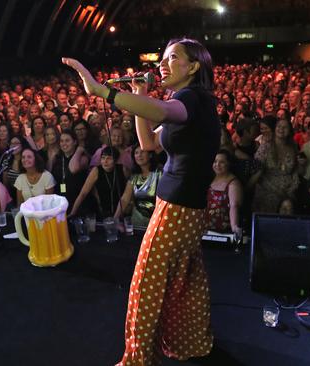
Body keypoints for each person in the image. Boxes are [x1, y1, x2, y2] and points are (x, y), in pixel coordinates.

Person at [63, 37, 219, 364]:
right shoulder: (193, 101)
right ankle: (188, 343)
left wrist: (101, 90)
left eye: (172, 58)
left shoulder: (190, 98)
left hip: (177, 208)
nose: (162, 64)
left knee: (146, 284)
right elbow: (148, 143)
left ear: (193, 67)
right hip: (186, 205)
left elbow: (162, 111)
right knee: (184, 280)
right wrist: (140, 96)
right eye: (162, 58)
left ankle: (137, 361)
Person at [69, 146, 126, 218]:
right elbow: (83, 194)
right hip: (104, 213)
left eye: (109, 158)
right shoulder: (96, 170)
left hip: (122, 212)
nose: (105, 161)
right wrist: (73, 212)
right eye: (103, 158)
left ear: (116, 160)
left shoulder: (123, 169)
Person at [114, 145, 162, 227]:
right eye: (136, 153)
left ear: (150, 155)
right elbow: (125, 199)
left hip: (157, 219)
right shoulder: (134, 176)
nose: (139, 155)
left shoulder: (160, 172)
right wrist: (115, 219)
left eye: (142, 152)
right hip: (138, 220)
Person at [204, 150, 243, 235]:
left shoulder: (233, 183)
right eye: (215, 161)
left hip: (222, 230)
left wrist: (234, 228)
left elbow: (234, 206)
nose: (217, 165)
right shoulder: (209, 178)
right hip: (204, 227)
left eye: (222, 162)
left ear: (229, 164)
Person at [50, 130, 90, 212]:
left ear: (75, 142)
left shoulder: (82, 158)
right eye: (61, 141)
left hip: (79, 202)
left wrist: (79, 150)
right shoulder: (58, 158)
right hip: (61, 202)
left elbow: (73, 169)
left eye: (67, 141)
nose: (64, 143)